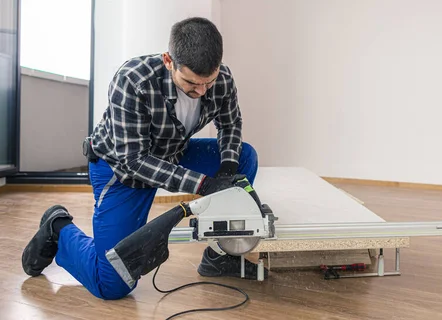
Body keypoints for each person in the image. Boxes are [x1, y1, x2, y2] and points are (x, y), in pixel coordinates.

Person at [21, 17, 263, 300]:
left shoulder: (221, 78)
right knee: (113, 284)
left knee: (244, 158)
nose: (201, 91)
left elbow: (230, 124)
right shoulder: (133, 80)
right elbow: (134, 160)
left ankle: (219, 255)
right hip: (122, 172)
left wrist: (227, 169)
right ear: (168, 61)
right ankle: (58, 228)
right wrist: (205, 185)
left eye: (207, 83)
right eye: (191, 83)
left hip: (172, 154)